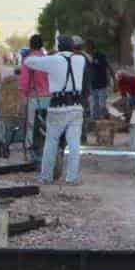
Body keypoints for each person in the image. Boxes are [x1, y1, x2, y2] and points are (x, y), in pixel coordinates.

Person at [23, 35, 87, 185]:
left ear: (59, 47)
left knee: (51, 142)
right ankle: (72, 178)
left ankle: (46, 176)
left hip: (57, 107)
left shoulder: (53, 60)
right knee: (74, 144)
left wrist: (49, 55)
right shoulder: (80, 60)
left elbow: (28, 62)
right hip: (76, 107)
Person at [19, 34, 51, 159]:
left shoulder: (28, 61)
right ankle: (47, 150)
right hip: (49, 97)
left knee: (31, 125)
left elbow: (24, 82)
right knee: (46, 125)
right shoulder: (48, 60)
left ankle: (31, 152)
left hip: (34, 97)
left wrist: (23, 96)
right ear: (41, 45)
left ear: (31, 45)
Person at [86, 42, 113, 120]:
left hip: (102, 84)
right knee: (94, 105)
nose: (87, 50)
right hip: (92, 84)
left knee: (102, 104)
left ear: (92, 48)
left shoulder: (100, 55)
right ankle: (95, 120)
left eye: (88, 48)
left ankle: (105, 118)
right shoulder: (88, 58)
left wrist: (113, 80)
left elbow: (108, 67)